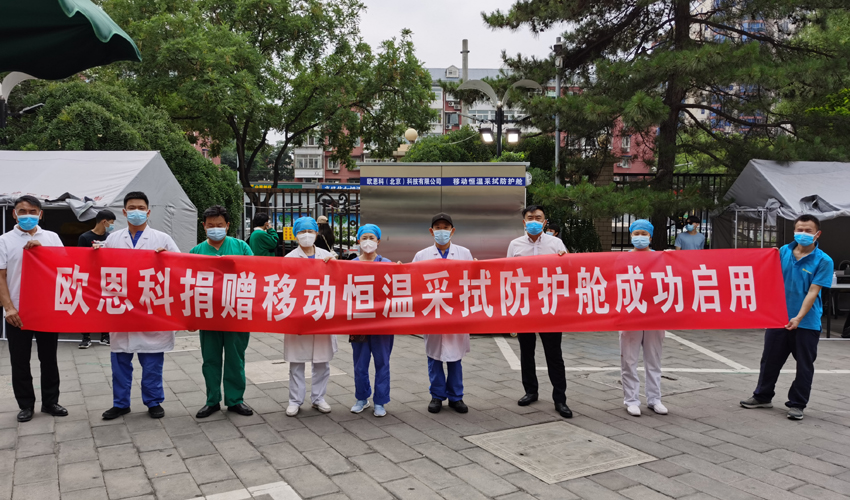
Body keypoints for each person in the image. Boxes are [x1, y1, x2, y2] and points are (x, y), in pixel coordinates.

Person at [741, 214, 834, 420]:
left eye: (808, 231)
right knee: (770, 360)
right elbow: (766, 276)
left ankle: (797, 404)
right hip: (778, 318)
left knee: (804, 365)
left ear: (817, 234)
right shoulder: (783, 252)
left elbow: (813, 291)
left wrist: (798, 317)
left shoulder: (824, 260)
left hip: (806, 322)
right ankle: (762, 396)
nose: (803, 234)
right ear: (794, 231)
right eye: (800, 230)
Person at [99, 192, 180, 420]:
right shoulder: (113, 240)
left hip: (150, 308)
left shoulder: (162, 239)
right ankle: (120, 403)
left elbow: (180, 267)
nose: (137, 211)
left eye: (141, 208)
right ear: (124, 212)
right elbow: (101, 270)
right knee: (119, 362)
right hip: (122, 309)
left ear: (148, 211)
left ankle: (153, 401)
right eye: (132, 208)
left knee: (152, 362)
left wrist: (167, 258)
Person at [0, 196, 68, 423]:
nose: (27, 215)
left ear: (40, 214)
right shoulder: (4, 241)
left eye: (32, 211)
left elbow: (64, 267)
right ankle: (26, 405)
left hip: (46, 309)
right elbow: (1, 277)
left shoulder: (52, 238)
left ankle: (50, 402)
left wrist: (43, 251)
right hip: (18, 311)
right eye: (22, 211)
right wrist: (9, 308)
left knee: (49, 358)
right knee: (20, 361)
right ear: (14, 214)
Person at [506, 205, 572, 418]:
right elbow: (507, 273)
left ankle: (560, 398)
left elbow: (568, 270)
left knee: (554, 354)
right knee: (527, 351)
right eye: (530, 218)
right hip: (525, 305)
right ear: (524, 222)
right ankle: (530, 391)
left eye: (538, 218)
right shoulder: (515, 245)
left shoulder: (556, 244)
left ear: (545, 222)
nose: (534, 221)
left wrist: (566, 259)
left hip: (549, 306)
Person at [191, 206, 255, 419]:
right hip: (208, 314)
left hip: (236, 313)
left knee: (235, 358)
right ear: (204, 226)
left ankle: (235, 399)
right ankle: (212, 401)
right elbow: (185, 282)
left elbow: (255, 274)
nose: (215, 229)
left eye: (219, 225)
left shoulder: (241, 247)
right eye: (210, 225)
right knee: (210, 359)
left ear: (227, 226)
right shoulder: (196, 251)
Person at [413, 213, 473, 414]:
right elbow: (412, 282)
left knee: (455, 358)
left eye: (445, 228)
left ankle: (456, 397)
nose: (442, 231)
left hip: (456, 314)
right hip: (433, 312)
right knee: (435, 358)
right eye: (437, 228)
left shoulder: (464, 253)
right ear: (431, 232)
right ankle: (437, 396)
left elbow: (473, 281)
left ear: (452, 231)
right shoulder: (421, 256)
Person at [284, 216, 337, 416]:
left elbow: (339, 282)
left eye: (310, 231)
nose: (306, 235)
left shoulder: (327, 256)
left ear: (316, 233)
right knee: (296, 362)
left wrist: (336, 265)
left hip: (322, 314)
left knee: (322, 362)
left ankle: (318, 398)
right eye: (302, 232)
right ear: (295, 235)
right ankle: (295, 400)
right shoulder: (289, 258)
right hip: (299, 315)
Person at [619, 219, 667, 417]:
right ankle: (631, 399)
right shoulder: (622, 258)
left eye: (644, 234)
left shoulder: (661, 258)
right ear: (631, 236)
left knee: (653, 358)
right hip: (631, 313)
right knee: (629, 359)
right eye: (636, 233)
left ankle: (655, 399)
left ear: (650, 237)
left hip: (655, 314)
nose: (640, 237)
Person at [349, 224, 394, 417]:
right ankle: (361, 398)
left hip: (382, 323)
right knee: (360, 363)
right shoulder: (350, 264)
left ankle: (380, 401)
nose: (368, 241)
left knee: (382, 361)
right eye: (364, 237)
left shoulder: (387, 263)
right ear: (358, 240)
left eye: (372, 238)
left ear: (378, 241)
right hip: (358, 322)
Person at [77, 209, 117, 348]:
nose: (112, 226)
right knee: (87, 307)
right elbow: (79, 257)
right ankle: (86, 337)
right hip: (89, 278)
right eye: (111, 223)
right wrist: (91, 252)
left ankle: (105, 335)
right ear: (104, 222)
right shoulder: (85, 237)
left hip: (105, 277)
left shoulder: (111, 238)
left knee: (105, 306)